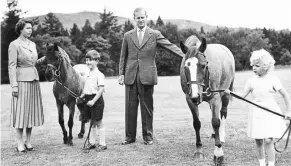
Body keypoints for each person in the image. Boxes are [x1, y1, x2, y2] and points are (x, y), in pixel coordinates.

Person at [118, 7, 184, 145]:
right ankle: (129, 137)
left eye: (143, 17)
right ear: (134, 19)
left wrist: (187, 55)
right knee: (130, 108)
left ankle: (148, 136)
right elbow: (123, 57)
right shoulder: (127, 35)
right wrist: (121, 74)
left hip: (147, 76)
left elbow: (170, 46)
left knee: (147, 107)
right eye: (138, 18)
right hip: (131, 76)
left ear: (146, 18)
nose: (140, 20)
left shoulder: (154, 34)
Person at [224, 49, 291, 166]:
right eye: (253, 65)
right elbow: (242, 96)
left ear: (265, 66)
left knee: (269, 140)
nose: (254, 68)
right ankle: (261, 164)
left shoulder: (273, 80)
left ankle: (271, 164)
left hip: (270, 112)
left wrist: (288, 111)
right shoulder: (251, 81)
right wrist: (230, 93)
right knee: (259, 141)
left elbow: (285, 95)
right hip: (257, 114)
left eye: (257, 65)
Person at [8, 19, 44, 152]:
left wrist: (48, 57)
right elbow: (11, 67)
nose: (30, 30)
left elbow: (33, 62)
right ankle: (19, 143)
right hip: (21, 81)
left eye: (31, 28)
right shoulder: (14, 44)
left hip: (34, 80)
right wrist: (14, 86)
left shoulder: (33, 44)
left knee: (31, 111)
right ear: (21, 29)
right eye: (28, 28)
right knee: (21, 112)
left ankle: (28, 141)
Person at [77, 50, 107, 151]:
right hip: (88, 99)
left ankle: (103, 144)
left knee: (98, 122)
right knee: (91, 122)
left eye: (90, 60)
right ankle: (92, 142)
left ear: (97, 61)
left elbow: (101, 90)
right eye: (86, 60)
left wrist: (93, 101)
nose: (88, 62)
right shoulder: (87, 74)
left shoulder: (99, 75)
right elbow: (87, 88)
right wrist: (82, 96)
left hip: (96, 100)